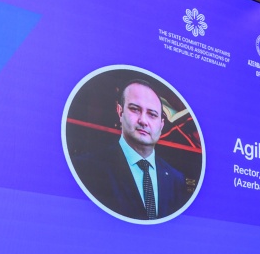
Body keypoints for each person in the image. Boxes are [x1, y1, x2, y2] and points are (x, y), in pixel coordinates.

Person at [72, 79, 191, 220]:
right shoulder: (86, 168)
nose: (143, 121)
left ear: (161, 125)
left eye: (152, 114)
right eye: (135, 109)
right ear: (120, 112)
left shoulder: (176, 180)